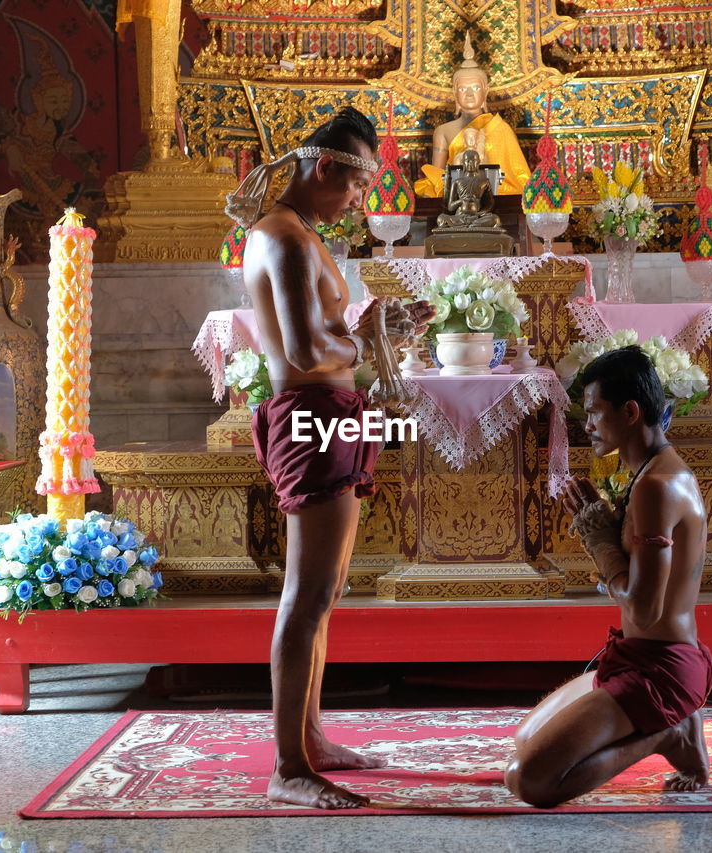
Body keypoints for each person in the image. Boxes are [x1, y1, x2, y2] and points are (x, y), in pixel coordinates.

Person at [242, 106, 434, 809]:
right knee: (307, 595)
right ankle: (289, 768)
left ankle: (311, 737)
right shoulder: (285, 240)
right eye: (355, 185)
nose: (360, 201)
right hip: (312, 417)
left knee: (327, 593)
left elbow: (325, 334)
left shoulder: (302, 234)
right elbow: (303, 353)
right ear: (325, 166)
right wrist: (369, 343)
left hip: (335, 416)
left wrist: (380, 325)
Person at [505, 346, 712, 808]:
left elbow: (643, 608)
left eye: (595, 411)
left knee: (529, 781)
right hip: (637, 655)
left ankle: (668, 734)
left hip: (662, 670)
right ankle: (675, 724)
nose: (587, 424)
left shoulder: (657, 487)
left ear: (631, 411)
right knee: (523, 742)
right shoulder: (650, 471)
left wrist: (600, 544)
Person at [413, 31, 531, 198]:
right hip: (457, 196)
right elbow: (437, 178)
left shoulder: (500, 128)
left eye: (475, 88)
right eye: (462, 89)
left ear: (485, 91)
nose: (469, 94)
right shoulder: (443, 131)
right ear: (454, 93)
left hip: (496, 196)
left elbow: (519, 178)